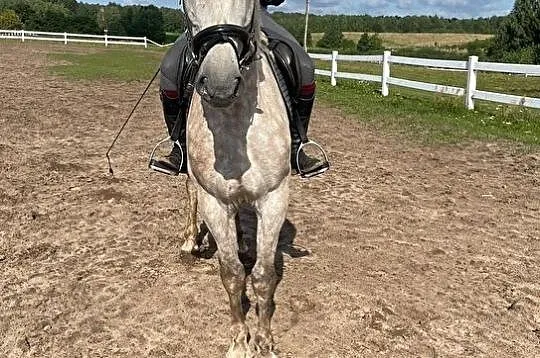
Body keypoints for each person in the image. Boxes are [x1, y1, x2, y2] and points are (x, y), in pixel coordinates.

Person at [151, 0, 328, 177]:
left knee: (305, 67)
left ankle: (297, 146)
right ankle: (179, 146)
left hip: (251, 14)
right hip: (208, 16)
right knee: (170, 66)